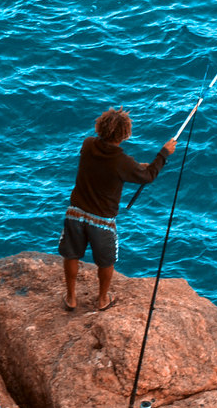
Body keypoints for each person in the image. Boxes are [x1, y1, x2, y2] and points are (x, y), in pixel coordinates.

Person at [60, 107, 176, 311]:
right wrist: (164, 153)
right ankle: (103, 299)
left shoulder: (88, 144)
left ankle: (71, 298)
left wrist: (134, 167)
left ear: (100, 127)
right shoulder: (122, 162)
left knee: (72, 254)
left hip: (75, 213)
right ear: (125, 134)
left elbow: (103, 165)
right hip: (101, 221)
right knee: (106, 262)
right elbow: (148, 176)